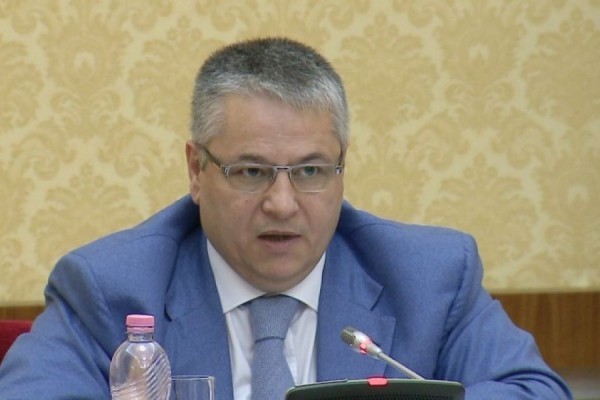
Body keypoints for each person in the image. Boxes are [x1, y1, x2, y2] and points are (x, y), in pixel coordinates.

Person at [0, 37, 571, 400]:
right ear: (197, 170)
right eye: (251, 172)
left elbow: (535, 392)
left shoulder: (430, 277)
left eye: (311, 171)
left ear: (342, 167)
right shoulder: (110, 287)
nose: (282, 202)